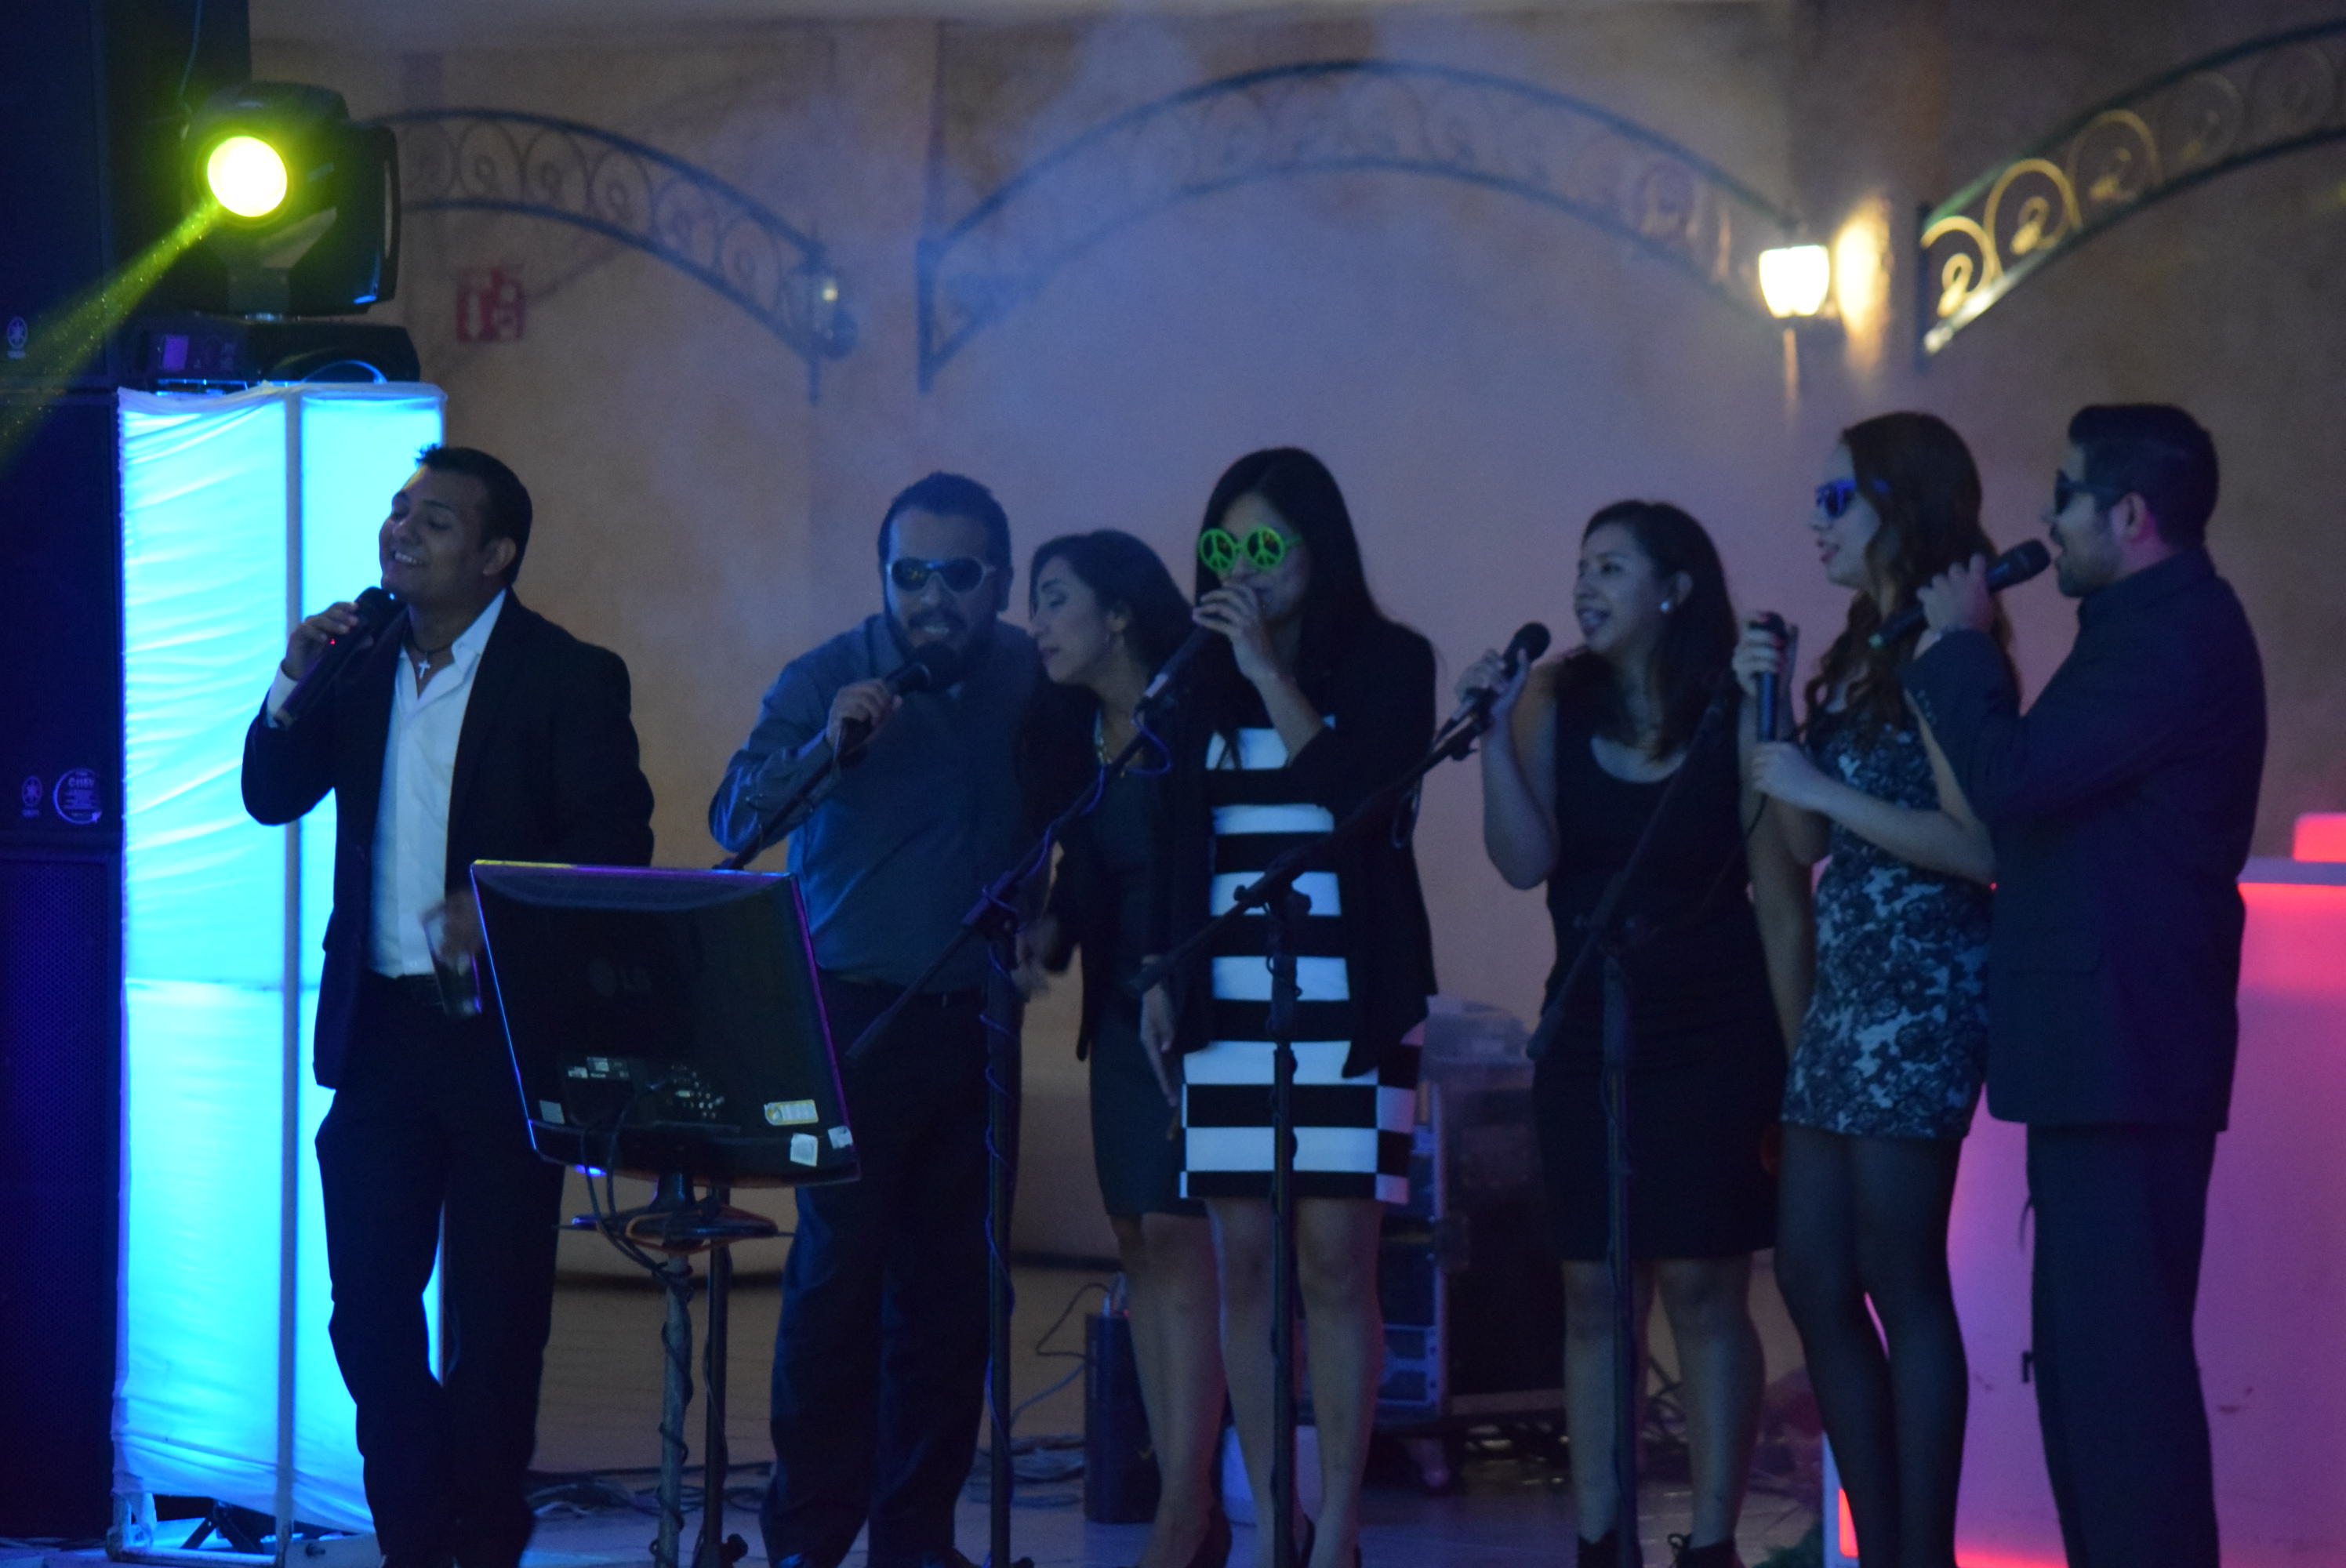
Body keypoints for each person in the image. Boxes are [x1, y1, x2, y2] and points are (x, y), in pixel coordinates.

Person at [241, 446, 656, 1568]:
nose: (401, 532)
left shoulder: (566, 675)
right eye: (398, 511)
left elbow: (616, 844)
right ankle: (425, 1531)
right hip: (379, 1034)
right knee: (367, 1311)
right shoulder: (357, 661)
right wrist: (291, 678)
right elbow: (270, 795)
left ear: (495, 555)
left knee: (498, 1319)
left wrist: (499, 905)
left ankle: (481, 1537)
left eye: (433, 520)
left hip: (500, 1040)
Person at [1906, 405, 2264, 1568]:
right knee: (2091, 1377)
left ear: (2130, 514)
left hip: (2127, 1055)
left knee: (2120, 1385)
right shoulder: (2143, 629)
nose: (2046, 520)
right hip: (2108, 1053)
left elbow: (2013, 781)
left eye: (2065, 496)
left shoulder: (2168, 642)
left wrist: (1961, 647)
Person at [709, 473, 1038, 1568]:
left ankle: (916, 1539)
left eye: (958, 574)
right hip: (851, 1017)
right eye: (910, 574)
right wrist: (828, 745)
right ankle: (807, 1538)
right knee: (836, 1286)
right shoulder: (828, 676)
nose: (932, 598)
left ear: (1000, 579)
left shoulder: (1028, 673)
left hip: (980, 1023)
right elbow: (736, 818)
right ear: (884, 577)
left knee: (954, 1298)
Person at [1462, 501, 1798, 1568]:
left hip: (1714, 1029)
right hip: (1587, 1025)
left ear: (1675, 588)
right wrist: (1489, 739)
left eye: (1610, 567)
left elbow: (1785, 879)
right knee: (1595, 1287)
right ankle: (1601, 1537)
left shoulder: (1733, 702)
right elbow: (1523, 862)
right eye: (1581, 566)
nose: (1584, 586)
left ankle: (1712, 1539)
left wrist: (1801, 1055)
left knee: (1703, 1282)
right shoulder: (1554, 700)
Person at [1734, 413, 2003, 1568]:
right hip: (1848, 1000)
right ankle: (1882, 1539)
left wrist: (1827, 794)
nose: (1816, 520)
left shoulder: (1948, 643)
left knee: (1902, 1271)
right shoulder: (1860, 646)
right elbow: (1797, 836)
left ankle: (1921, 1551)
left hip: (1921, 992)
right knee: (1809, 1271)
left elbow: (1977, 843)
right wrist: (1767, 707)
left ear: (1901, 503)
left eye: (1837, 499)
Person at [1161, 449, 1436, 1568]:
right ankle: (1275, 1520)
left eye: (1265, 546)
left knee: (1334, 1257)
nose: (1243, 568)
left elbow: (1359, 802)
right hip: (1229, 998)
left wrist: (1271, 672)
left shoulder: (1392, 663)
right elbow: (1176, 844)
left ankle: (1341, 1529)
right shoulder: (1193, 679)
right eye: (1223, 546)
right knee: (1245, 1258)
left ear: (1320, 551)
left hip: (1349, 996)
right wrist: (1166, 977)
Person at [1013, 530, 1230, 1568]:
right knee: (1138, 1239)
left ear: (1119, 613)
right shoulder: (1076, 734)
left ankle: (1188, 1504)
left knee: (1183, 1236)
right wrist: (1049, 931)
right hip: (1118, 1004)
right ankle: (1186, 1492)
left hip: (1198, 995)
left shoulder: (1196, 711)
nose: (1037, 624)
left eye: (1055, 600)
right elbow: (1086, 866)